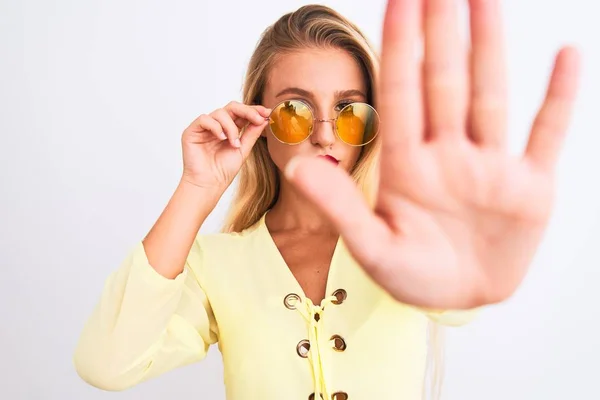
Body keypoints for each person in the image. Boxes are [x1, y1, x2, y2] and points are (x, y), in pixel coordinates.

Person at [73, 1, 580, 399]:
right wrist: (197, 188)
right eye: (294, 109)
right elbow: (108, 364)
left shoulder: (405, 242)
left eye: (349, 111)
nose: (323, 135)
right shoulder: (215, 263)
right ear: (258, 124)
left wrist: (468, 257)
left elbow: (454, 299)